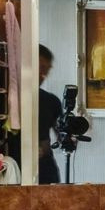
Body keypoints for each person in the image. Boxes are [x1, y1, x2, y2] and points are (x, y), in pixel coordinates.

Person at [38, 45, 63, 184]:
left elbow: (62, 136)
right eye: (41, 68)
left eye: (46, 70)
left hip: (46, 170)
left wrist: (71, 136)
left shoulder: (51, 101)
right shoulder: (9, 100)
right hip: (16, 169)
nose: (43, 75)